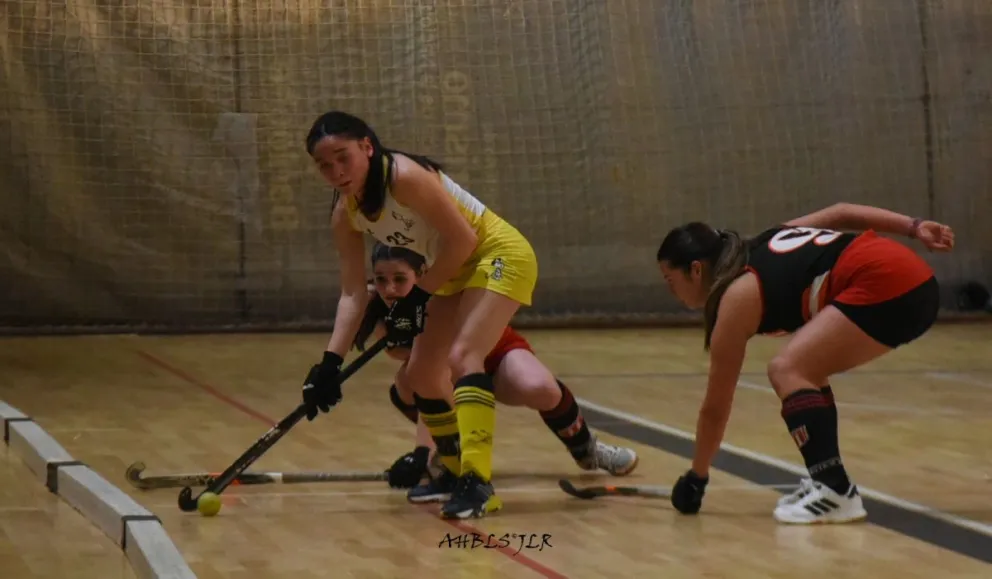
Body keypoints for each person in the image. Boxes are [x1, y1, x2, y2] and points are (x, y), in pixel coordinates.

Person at [301, 111, 540, 519]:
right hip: (451, 271)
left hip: (497, 254)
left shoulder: (405, 177)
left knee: (463, 357)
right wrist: (329, 363)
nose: (336, 171)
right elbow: (353, 292)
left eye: (343, 157)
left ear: (367, 147)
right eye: (324, 165)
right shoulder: (346, 213)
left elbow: (464, 240)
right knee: (421, 374)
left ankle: (478, 483)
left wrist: (416, 298)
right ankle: (451, 468)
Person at [654, 202, 954, 524]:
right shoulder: (767, 240)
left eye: (670, 280)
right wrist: (914, 226)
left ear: (696, 270)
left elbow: (715, 407)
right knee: (807, 368)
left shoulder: (735, 299)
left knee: (787, 369)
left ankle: (835, 491)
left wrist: (696, 478)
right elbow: (840, 212)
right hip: (913, 277)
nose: (670, 291)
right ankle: (827, 479)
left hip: (887, 282)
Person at [356, 243, 639, 496]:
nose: (389, 289)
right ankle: (449, 451)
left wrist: (420, 451)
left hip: (490, 353)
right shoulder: (379, 306)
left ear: (422, 274)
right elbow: (420, 369)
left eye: (400, 279)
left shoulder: (438, 296)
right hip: (449, 374)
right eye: (381, 279)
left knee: (539, 387)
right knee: (408, 381)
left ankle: (587, 448)